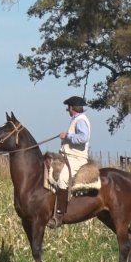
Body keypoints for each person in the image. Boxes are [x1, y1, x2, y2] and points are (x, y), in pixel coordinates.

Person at [48, 95, 91, 229]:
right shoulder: (76, 119)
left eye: (68, 107)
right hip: (68, 156)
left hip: (76, 158)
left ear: (73, 108)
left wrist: (67, 136)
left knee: (62, 179)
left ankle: (59, 216)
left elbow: (84, 137)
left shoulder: (81, 120)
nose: (67, 110)